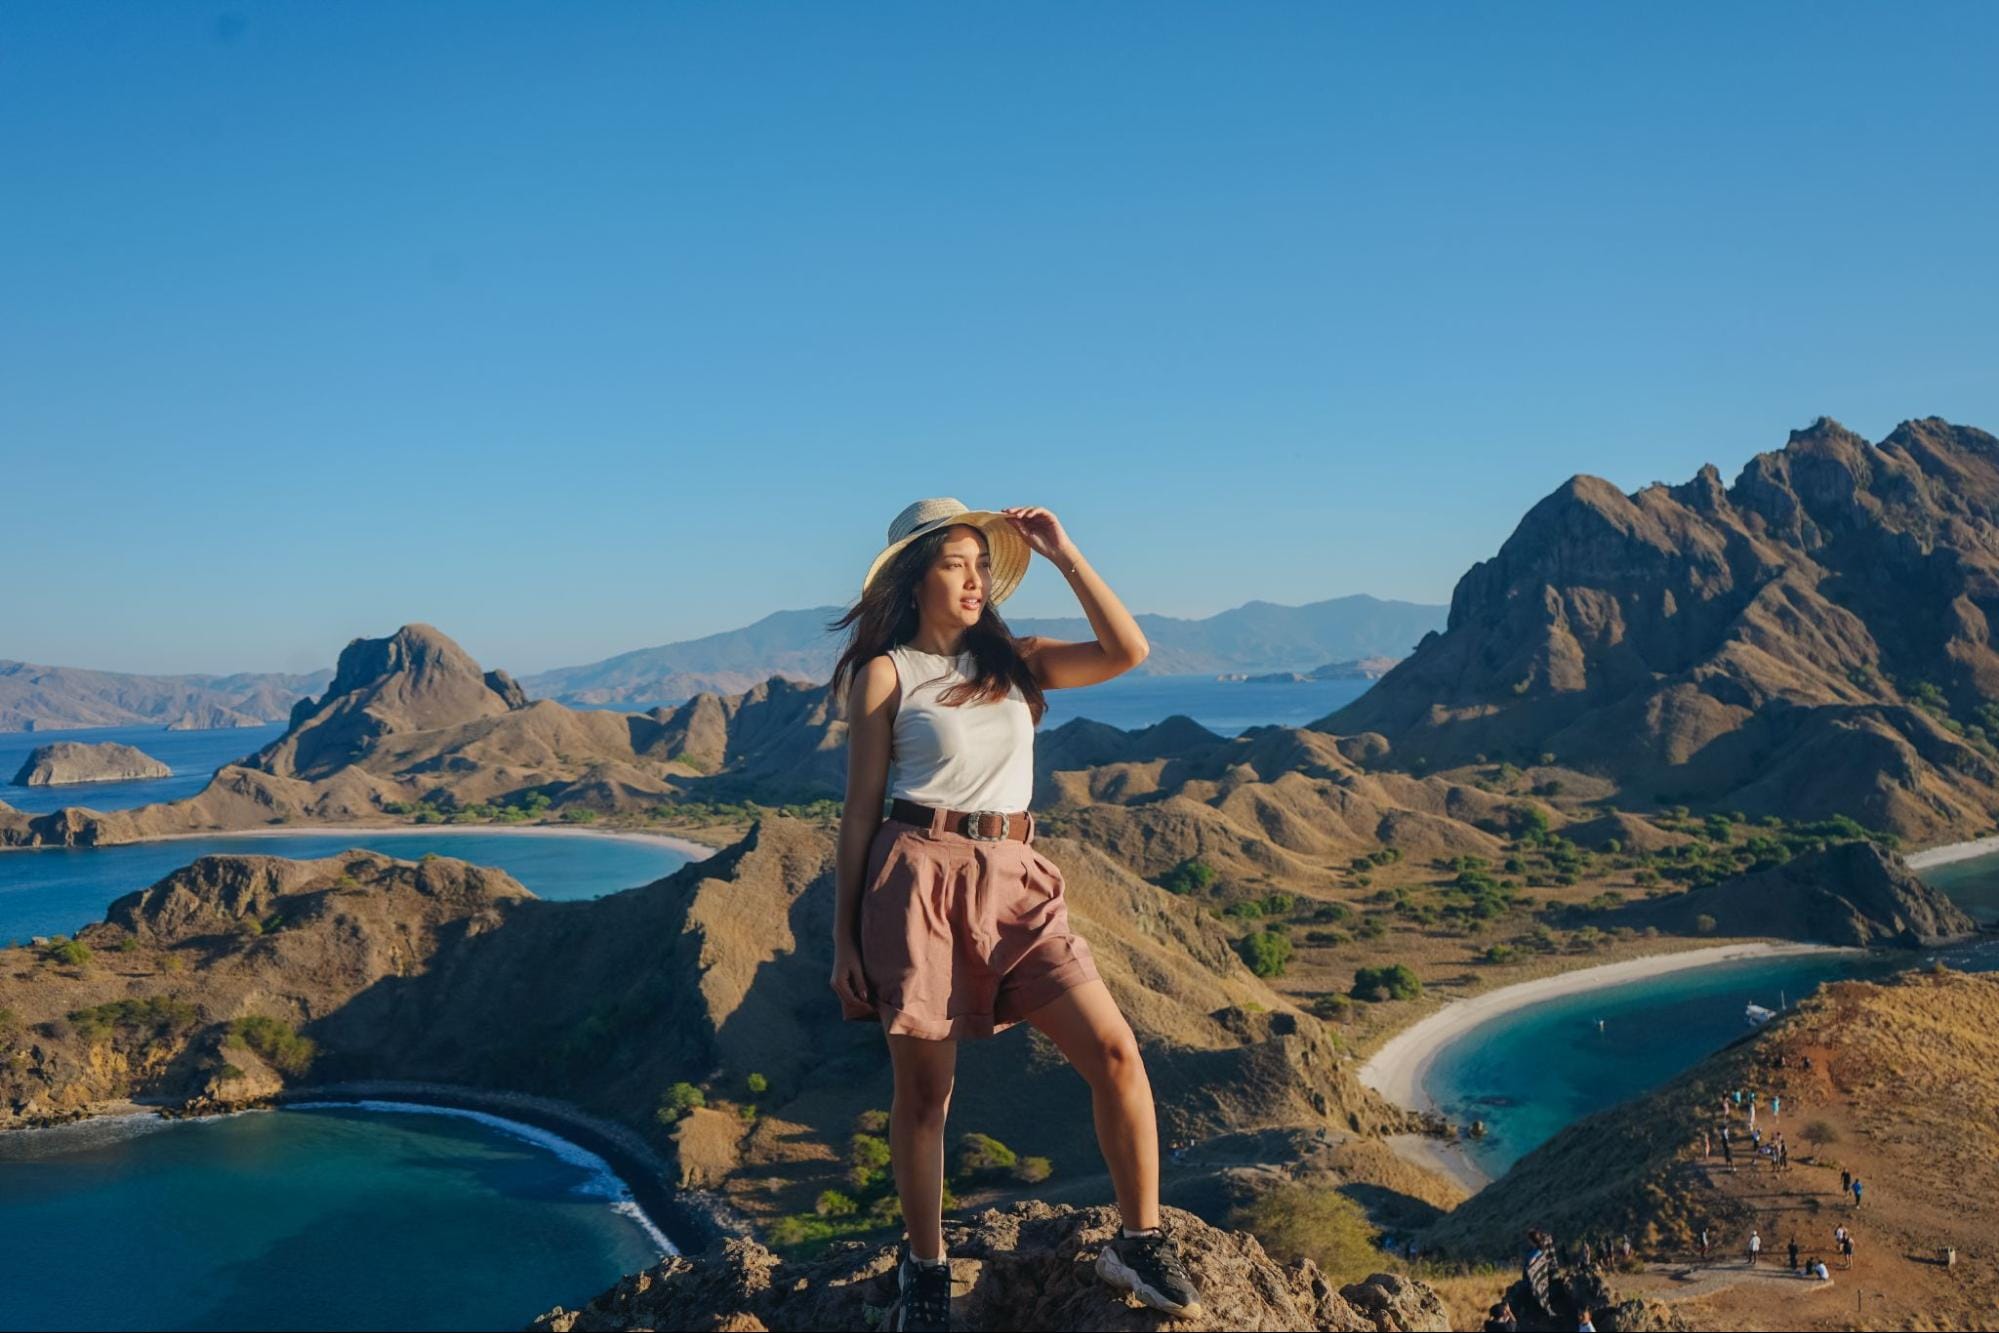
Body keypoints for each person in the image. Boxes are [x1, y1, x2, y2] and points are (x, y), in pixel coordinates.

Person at [827, 500, 1201, 1329]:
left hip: (1018, 875)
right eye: (955, 563)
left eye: (981, 564)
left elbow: (1125, 650)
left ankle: (1136, 1239)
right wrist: (842, 935)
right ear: (912, 578)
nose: (974, 578)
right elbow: (858, 812)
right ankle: (924, 1271)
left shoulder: (1016, 660)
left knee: (1114, 1049)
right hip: (917, 875)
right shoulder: (887, 672)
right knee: (925, 1096)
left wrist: (1065, 554)